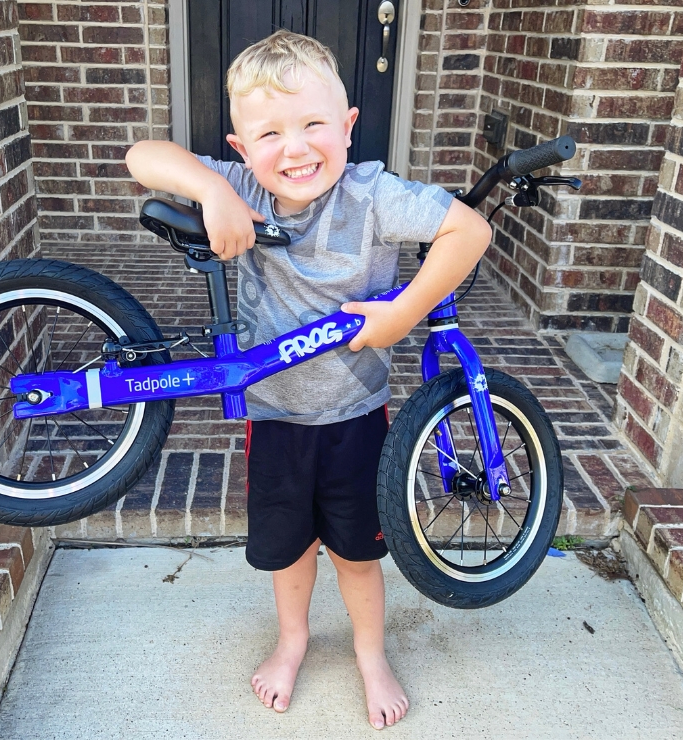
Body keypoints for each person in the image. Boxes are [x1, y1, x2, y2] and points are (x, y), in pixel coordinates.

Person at [125, 29, 491, 730]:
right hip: (277, 421)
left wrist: (403, 312)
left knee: (358, 555)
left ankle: (370, 654)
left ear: (348, 127)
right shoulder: (242, 186)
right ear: (242, 149)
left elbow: (468, 231)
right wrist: (209, 190)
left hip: (357, 418)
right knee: (287, 551)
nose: (293, 149)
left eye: (313, 125)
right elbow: (141, 157)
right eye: (269, 133)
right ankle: (292, 641)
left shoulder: (375, 196)